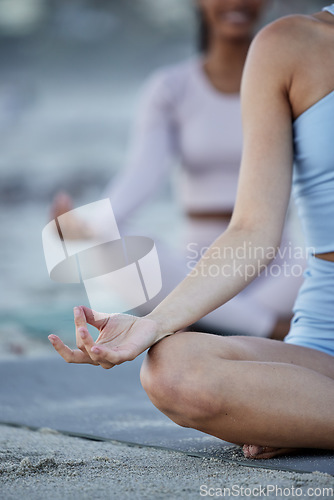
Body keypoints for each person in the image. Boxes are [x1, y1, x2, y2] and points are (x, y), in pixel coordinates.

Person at [48, 2, 334, 459]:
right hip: (272, 294)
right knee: (170, 369)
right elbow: (246, 228)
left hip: (284, 271)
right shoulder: (285, 46)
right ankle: (285, 371)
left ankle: (304, 408)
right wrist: (152, 323)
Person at [52, 0, 304, 339]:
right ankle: (266, 328)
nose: (237, 2)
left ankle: (205, 318)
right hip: (195, 270)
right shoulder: (172, 88)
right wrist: (91, 226)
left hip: (280, 270)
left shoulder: (293, 83)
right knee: (104, 249)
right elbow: (143, 173)